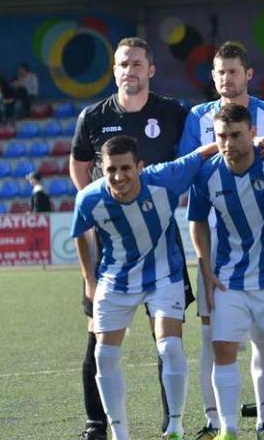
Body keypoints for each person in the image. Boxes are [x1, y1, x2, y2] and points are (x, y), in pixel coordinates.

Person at [70, 36, 193, 440]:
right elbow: (79, 165)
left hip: (161, 240)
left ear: (150, 70)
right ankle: (96, 423)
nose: (130, 71)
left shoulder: (173, 113)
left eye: (137, 64)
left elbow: (191, 158)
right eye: (123, 64)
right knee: (98, 335)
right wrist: (98, 201)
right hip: (112, 246)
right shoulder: (92, 116)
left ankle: (169, 422)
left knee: (167, 337)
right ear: (115, 70)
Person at [177, 40, 264, 440]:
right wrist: (203, 260)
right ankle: (216, 420)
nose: (226, 78)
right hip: (216, 240)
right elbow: (190, 169)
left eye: (233, 71)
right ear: (212, 77)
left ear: (248, 74)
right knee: (213, 334)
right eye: (219, 72)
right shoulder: (196, 118)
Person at [71, 135, 219, 440]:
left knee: (170, 347)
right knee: (104, 356)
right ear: (102, 168)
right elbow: (80, 234)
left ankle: (175, 427)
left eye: (126, 168)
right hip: (115, 278)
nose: (118, 176)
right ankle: (120, 434)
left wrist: (257, 142)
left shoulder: (164, 178)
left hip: (164, 275)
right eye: (111, 169)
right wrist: (89, 280)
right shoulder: (89, 198)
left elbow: (203, 153)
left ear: (140, 166)